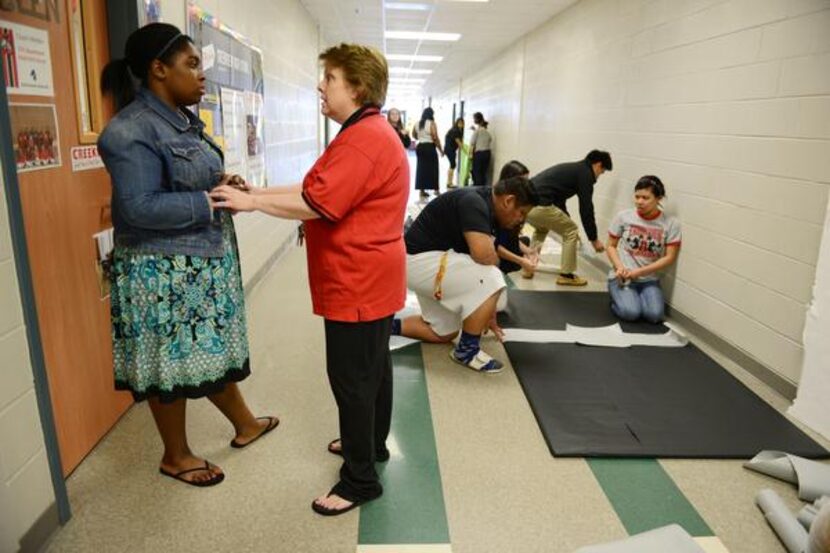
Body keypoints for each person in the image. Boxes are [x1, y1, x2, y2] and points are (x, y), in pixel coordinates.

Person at [210, 43, 408, 516]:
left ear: (356, 87)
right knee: (373, 371)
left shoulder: (364, 139)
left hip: (357, 278)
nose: (321, 86)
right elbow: (313, 189)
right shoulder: (365, 132)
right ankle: (372, 447)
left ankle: (360, 481)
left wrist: (253, 204)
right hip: (371, 276)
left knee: (353, 381)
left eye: (331, 78)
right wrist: (257, 191)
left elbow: (318, 204)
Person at [97, 23, 278, 488]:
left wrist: (223, 183)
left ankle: (245, 424)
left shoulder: (180, 119)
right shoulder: (129, 131)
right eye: (192, 64)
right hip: (161, 270)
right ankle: (175, 456)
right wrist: (210, 201)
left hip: (196, 262)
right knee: (170, 365)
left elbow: (185, 178)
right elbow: (137, 207)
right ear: (158, 70)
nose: (202, 75)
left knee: (207, 354)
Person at [392, 177, 539, 373]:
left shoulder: (485, 203)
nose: (520, 219)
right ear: (508, 200)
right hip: (419, 261)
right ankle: (467, 350)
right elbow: (484, 254)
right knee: (492, 277)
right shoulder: (475, 202)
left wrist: (488, 310)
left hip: (422, 262)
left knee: (442, 331)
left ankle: (382, 327)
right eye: (521, 213)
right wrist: (490, 288)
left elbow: (486, 252)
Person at [525, 149, 613, 286]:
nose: (599, 176)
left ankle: (528, 266)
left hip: (526, 205)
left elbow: (559, 199)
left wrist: (566, 218)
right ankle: (567, 275)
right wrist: (594, 239)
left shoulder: (574, 169)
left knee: (542, 229)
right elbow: (586, 208)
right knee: (571, 231)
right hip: (540, 204)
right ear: (598, 165)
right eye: (601, 172)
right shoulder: (586, 174)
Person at [606, 176, 681, 323]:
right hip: (623, 277)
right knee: (631, 313)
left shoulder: (671, 224)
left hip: (648, 280)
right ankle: (617, 298)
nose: (639, 202)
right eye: (637, 197)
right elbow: (610, 246)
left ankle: (633, 298)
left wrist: (639, 272)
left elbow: (669, 257)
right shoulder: (623, 217)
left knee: (654, 316)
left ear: (658, 198)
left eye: (646, 198)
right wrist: (620, 267)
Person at [493, 161, 539, 277]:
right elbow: (494, 245)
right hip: (494, 251)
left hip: (503, 245)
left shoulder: (516, 207)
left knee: (525, 242)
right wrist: (520, 260)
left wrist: (529, 251)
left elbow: (512, 237)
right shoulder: (498, 208)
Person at [413, 107, 443, 199]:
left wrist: (421, 138)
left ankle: (422, 191)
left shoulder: (417, 123)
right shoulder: (431, 123)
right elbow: (434, 137)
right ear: (431, 114)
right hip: (429, 147)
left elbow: (413, 135)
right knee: (433, 167)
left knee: (421, 168)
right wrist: (440, 149)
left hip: (420, 147)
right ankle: (436, 190)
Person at [470, 112, 492, 186]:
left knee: (477, 173)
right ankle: (482, 188)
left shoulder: (477, 131)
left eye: (474, 118)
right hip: (487, 153)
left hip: (479, 154)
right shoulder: (486, 131)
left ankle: (477, 189)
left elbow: (472, 143)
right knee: (483, 172)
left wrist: (470, 155)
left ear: (476, 119)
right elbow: (489, 139)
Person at [444, 117, 464, 188]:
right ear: (457, 123)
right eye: (459, 123)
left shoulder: (454, 130)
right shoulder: (456, 131)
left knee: (452, 165)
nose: (461, 125)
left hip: (449, 149)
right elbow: (458, 142)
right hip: (450, 150)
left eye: (462, 123)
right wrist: (465, 150)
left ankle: (449, 182)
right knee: (453, 165)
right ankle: (449, 183)